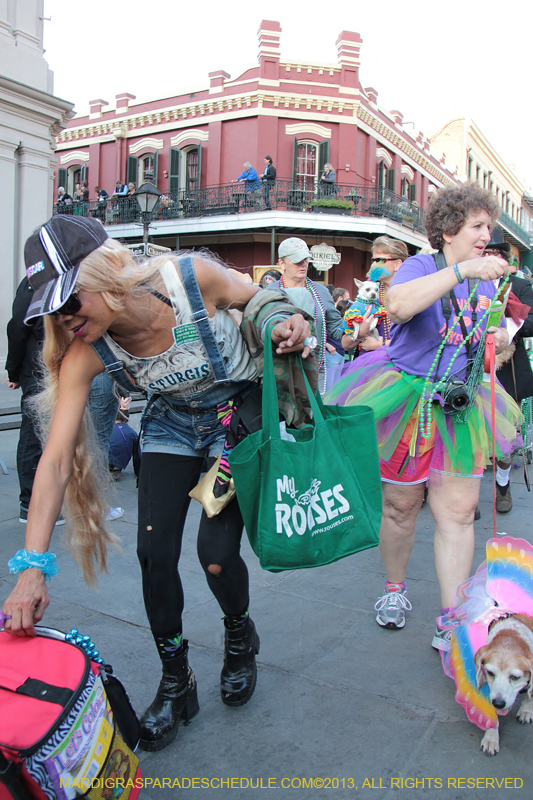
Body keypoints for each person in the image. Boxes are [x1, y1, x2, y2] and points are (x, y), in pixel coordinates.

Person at [2, 215, 312, 753]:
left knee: (215, 554)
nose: (65, 320)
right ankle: (176, 679)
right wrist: (31, 568)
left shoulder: (188, 279)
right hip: (169, 422)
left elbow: (261, 299)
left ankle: (240, 635)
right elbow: (53, 461)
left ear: (102, 276)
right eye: (52, 311)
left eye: (70, 302)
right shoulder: (85, 350)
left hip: (234, 416)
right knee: (153, 553)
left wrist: (288, 323)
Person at [326, 184, 521, 651]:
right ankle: (395, 590)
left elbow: (486, 341)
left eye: (488, 227)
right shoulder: (420, 264)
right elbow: (398, 305)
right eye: (478, 226)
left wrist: (498, 342)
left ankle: (453, 617)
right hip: (404, 401)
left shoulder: (489, 279)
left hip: (460, 405)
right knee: (400, 507)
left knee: (456, 514)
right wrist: (463, 271)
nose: (485, 235)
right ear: (450, 229)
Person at [269, 237, 374, 394]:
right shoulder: (270, 292)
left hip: (316, 371)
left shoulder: (321, 292)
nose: (303, 264)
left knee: (317, 415)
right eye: (297, 260)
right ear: (282, 263)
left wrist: (357, 330)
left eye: (305, 259)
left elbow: (338, 331)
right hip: (281, 373)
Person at [5, 279, 64, 526]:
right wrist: (14, 371)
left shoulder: (51, 278)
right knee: (34, 437)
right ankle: (29, 504)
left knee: (47, 436)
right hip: (39, 368)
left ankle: (39, 501)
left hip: (49, 366)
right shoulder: (35, 280)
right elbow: (18, 326)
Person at [483, 226, 533, 513]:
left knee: (504, 436)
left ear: (504, 258)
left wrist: (507, 326)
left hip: (507, 371)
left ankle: (503, 488)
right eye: (485, 252)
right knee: (469, 434)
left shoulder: (519, 286)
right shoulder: (469, 283)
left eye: (494, 253)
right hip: (472, 370)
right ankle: (466, 493)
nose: (489, 257)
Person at [358, 236, 409, 353]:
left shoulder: (411, 292)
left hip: (401, 362)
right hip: (368, 363)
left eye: (380, 260)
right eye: (373, 260)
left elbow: (418, 338)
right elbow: (346, 342)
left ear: (397, 264)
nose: (374, 265)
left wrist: (380, 344)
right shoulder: (369, 292)